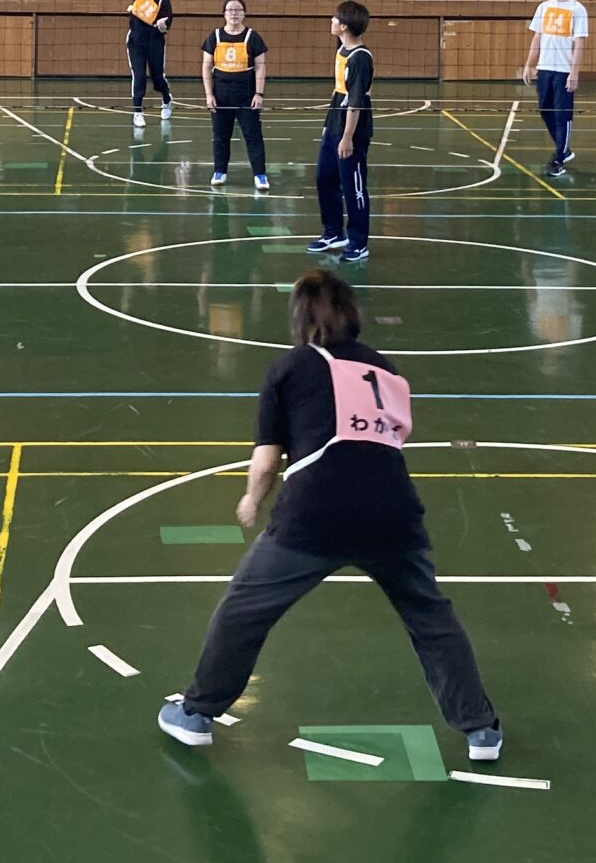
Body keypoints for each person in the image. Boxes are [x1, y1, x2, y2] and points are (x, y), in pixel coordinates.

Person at [157, 270, 500, 761]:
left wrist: (252, 499)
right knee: (430, 617)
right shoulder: (386, 369)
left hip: (315, 512)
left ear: (299, 316)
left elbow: (267, 459)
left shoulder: (289, 368)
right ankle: (481, 730)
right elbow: (391, 438)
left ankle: (196, 713)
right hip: (393, 510)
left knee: (244, 610)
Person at [310, 0, 373, 264]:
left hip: (353, 130)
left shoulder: (360, 59)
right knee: (324, 179)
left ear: (345, 25)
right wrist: (329, 126)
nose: (332, 21)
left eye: (335, 18)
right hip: (335, 122)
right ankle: (333, 232)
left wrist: (347, 137)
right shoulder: (342, 49)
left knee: (353, 187)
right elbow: (339, 93)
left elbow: (356, 102)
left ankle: (358, 243)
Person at [520, 0, 588, 174]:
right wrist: (528, 65)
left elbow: (580, 43)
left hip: (563, 70)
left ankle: (559, 157)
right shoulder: (544, 7)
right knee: (545, 109)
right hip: (545, 68)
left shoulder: (577, 9)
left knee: (562, 114)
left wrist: (574, 72)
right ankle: (563, 149)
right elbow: (537, 38)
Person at [201, 0, 270, 192]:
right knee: (220, 136)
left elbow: (260, 67)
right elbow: (206, 67)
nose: (234, 13)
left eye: (238, 9)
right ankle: (219, 171)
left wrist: (259, 93)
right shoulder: (214, 36)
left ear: (244, 13)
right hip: (221, 93)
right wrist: (209, 95)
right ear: (224, 13)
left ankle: (260, 174)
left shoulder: (252, 37)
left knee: (253, 135)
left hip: (246, 93)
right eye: (230, 9)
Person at [126, 0, 174, 131]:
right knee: (138, 76)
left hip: (155, 42)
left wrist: (162, 25)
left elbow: (165, 27)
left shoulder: (164, 1)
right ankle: (138, 111)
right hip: (136, 41)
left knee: (157, 78)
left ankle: (167, 99)